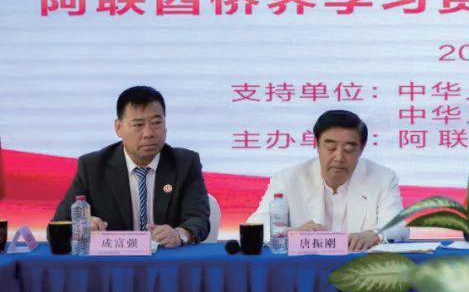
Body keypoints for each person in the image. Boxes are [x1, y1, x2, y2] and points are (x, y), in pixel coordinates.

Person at [53, 86, 210, 247]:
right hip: (114, 260)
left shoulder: (185, 163)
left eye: (156, 123)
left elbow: (199, 219)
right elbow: (59, 224)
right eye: (138, 125)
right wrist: (82, 225)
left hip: (165, 258)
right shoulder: (93, 167)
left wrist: (180, 234)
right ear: (118, 128)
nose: (148, 133)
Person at [247, 110, 407, 251]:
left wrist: (375, 234)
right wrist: (292, 233)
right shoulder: (288, 179)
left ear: (361, 149)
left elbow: (400, 226)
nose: (339, 157)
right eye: (331, 148)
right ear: (316, 145)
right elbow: (256, 225)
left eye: (349, 149)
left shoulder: (383, 178)